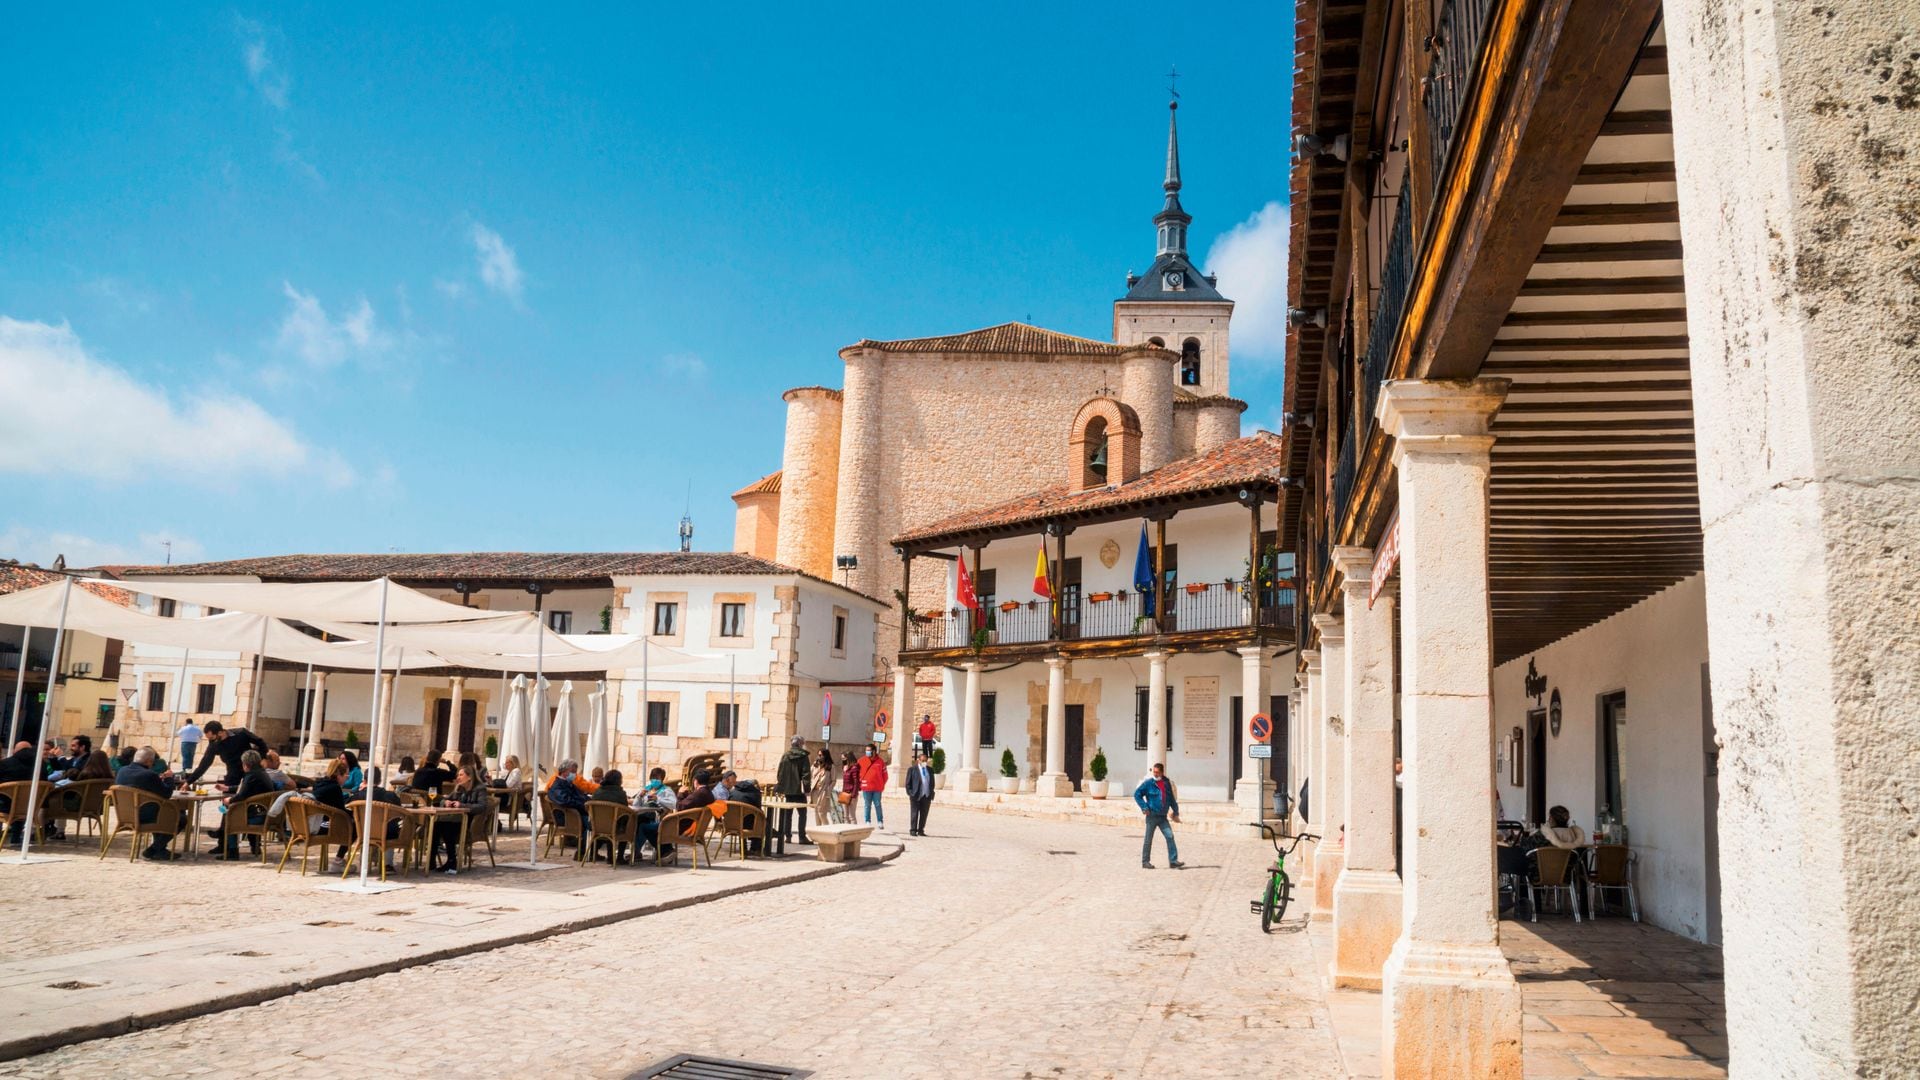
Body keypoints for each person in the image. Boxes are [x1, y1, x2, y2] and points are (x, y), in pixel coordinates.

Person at [114, 747, 179, 861]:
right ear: (149, 761)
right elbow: (167, 794)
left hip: (125, 814)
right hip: (144, 815)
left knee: (159, 811)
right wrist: (169, 778)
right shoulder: (149, 775)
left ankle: (160, 850)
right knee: (180, 817)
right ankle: (153, 849)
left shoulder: (122, 771)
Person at [428, 765, 490, 875]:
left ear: (469, 777)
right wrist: (445, 803)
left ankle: (452, 861)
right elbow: (444, 800)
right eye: (458, 775)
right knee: (436, 825)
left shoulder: (480, 789)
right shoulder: (459, 788)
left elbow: (482, 806)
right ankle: (432, 860)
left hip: (469, 822)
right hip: (456, 820)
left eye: (461, 775)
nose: (458, 777)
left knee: (446, 827)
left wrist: (462, 805)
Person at [214, 749, 275, 859]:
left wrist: (228, 800)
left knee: (231, 816)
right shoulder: (261, 773)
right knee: (233, 811)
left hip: (257, 816)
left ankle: (232, 852)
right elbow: (246, 788)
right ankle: (255, 846)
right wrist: (227, 788)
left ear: (246, 764)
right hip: (263, 812)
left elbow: (241, 795)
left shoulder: (251, 775)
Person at [183, 721, 270, 790]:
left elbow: (261, 743)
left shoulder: (241, 733)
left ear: (220, 733)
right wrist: (188, 782)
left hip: (249, 769)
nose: (211, 742)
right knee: (228, 797)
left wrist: (262, 758)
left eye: (212, 738)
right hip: (233, 772)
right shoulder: (214, 745)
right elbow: (204, 764)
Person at [1133, 763, 1184, 869]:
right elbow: (1137, 794)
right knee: (1148, 839)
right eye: (1154, 772)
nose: (1155, 774)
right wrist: (1144, 807)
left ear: (1162, 772)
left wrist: (1176, 811)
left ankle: (1173, 861)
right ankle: (1145, 862)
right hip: (1151, 816)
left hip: (1162, 817)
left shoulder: (1166, 783)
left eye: (1157, 772)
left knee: (1170, 836)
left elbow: (1171, 799)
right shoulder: (1148, 783)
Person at [309, 759, 352, 871]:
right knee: (354, 828)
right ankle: (338, 861)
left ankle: (338, 861)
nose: (346, 779)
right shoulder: (334, 788)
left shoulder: (319, 784)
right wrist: (355, 814)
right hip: (322, 825)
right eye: (346, 776)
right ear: (339, 775)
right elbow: (341, 812)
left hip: (312, 823)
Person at [587, 769, 633, 863]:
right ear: (618, 781)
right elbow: (625, 809)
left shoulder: (597, 791)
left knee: (606, 825)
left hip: (596, 825)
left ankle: (592, 853)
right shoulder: (621, 794)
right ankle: (619, 857)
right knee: (626, 823)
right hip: (615, 827)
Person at [775, 736, 812, 844]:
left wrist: (782, 786)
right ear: (800, 744)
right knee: (802, 813)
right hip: (799, 790)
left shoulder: (785, 755)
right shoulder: (803, 756)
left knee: (788, 813)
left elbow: (780, 773)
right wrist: (807, 789)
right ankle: (801, 837)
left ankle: (788, 836)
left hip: (787, 789)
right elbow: (806, 774)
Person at [905, 751, 935, 837]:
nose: (924, 762)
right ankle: (913, 830)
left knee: (924, 813)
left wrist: (931, 792)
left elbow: (932, 783)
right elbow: (907, 783)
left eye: (925, 760)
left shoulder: (930, 770)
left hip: (926, 795)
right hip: (915, 795)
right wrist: (910, 793)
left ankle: (921, 830)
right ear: (918, 760)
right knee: (914, 813)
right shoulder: (912, 769)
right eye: (922, 760)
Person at [858, 745, 888, 829]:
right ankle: (867, 821)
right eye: (866, 750)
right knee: (867, 805)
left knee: (878, 804)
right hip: (866, 787)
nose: (867, 752)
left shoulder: (880, 762)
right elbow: (857, 773)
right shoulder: (861, 761)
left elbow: (885, 775)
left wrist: (881, 784)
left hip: (877, 788)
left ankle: (880, 821)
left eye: (869, 750)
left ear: (874, 751)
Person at [808, 748, 837, 826]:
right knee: (816, 812)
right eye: (818, 755)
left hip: (824, 791)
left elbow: (833, 780)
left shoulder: (831, 766)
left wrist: (828, 790)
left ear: (825, 755)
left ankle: (827, 830)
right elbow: (810, 774)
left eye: (821, 755)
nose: (819, 756)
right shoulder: (815, 765)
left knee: (822, 813)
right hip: (815, 791)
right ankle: (818, 830)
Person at [839, 752, 861, 824]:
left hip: (852, 793)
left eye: (844, 758)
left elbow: (856, 782)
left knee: (852, 816)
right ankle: (846, 832)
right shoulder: (845, 767)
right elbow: (845, 782)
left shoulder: (854, 768)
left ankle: (854, 833)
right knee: (845, 816)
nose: (843, 760)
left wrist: (854, 794)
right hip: (845, 793)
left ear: (849, 758)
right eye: (842, 758)